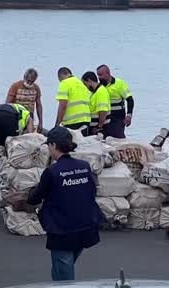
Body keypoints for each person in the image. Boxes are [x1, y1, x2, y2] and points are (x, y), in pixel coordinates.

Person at [27, 126, 103, 281]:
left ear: (53, 145)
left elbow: (35, 198)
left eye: (48, 145)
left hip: (62, 229)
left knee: (63, 275)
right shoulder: (84, 166)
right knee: (67, 265)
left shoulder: (52, 172)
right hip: (85, 225)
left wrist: (28, 195)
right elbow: (92, 191)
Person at [96, 65, 134, 139]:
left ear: (108, 73)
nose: (99, 77)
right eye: (98, 75)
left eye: (101, 75)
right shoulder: (99, 86)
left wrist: (129, 115)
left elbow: (130, 100)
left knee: (118, 137)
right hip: (104, 116)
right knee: (103, 137)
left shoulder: (119, 84)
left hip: (117, 116)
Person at [54, 67, 91, 135]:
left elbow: (63, 106)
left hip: (72, 122)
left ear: (60, 76)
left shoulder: (64, 83)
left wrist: (57, 124)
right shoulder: (81, 84)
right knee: (84, 144)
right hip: (86, 120)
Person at [6, 68, 44, 132]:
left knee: (29, 134)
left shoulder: (36, 88)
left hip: (29, 115)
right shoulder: (16, 86)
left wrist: (40, 122)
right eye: (28, 81)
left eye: (32, 81)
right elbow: (8, 103)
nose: (30, 83)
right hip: (16, 115)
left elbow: (39, 105)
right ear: (24, 77)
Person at [81, 71, 111, 136]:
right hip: (95, 127)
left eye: (85, 84)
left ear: (89, 81)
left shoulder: (101, 91)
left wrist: (99, 127)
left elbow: (103, 111)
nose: (85, 87)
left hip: (100, 129)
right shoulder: (95, 92)